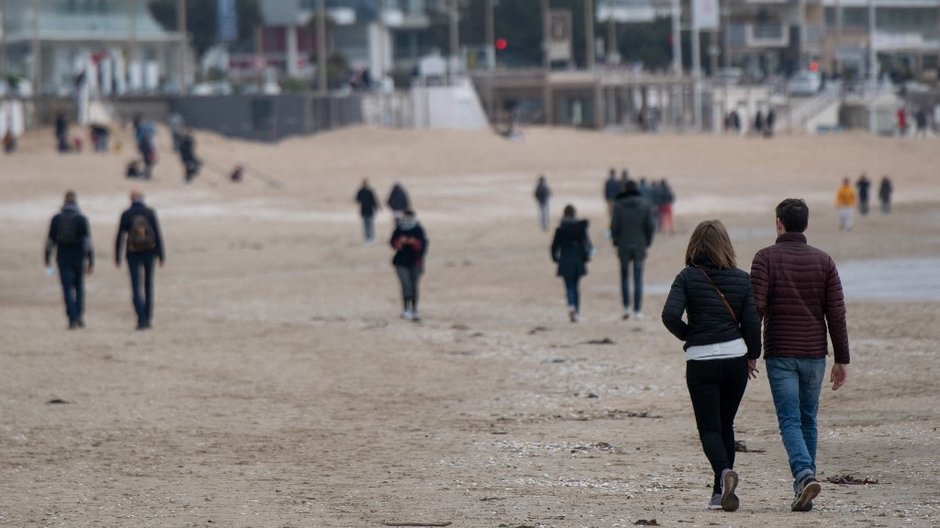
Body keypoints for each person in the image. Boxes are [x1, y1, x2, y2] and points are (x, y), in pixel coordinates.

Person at [750, 198, 850, 512]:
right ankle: (803, 489)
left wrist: (750, 352)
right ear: (805, 224)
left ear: (778, 222)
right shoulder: (824, 261)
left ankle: (805, 475)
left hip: (781, 352)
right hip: (815, 354)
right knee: (808, 419)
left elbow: (756, 309)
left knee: (791, 421)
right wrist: (842, 359)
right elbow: (836, 314)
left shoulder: (764, 258)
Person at [662, 220, 761, 512]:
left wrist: (691, 336)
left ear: (694, 246)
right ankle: (720, 492)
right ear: (726, 246)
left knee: (709, 429)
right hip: (734, 358)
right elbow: (753, 323)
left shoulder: (687, 277)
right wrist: (752, 354)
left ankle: (722, 475)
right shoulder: (743, 279)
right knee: (725, 424)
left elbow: (669, 316)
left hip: (701, 361)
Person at [115, 190, 165, 330]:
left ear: (131, 200)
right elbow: (157, 233)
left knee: (136, 286)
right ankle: (148, 318)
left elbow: (120, 236)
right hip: (150, 252)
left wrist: (117, 256)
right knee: (148, 285)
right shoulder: (149, 212)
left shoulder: (126, 214)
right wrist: (161, 255)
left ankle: (141, 318)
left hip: (133, 253)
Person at [44, 191, 94, 329]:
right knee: (79, 287)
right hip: (79, 257)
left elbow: (50, 241)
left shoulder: (56, 219)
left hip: (63, 258)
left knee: (66, 288)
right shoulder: (81, 219)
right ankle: (79, 315)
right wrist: (91, 261)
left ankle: (71, 318)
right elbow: (88, 242)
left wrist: (47, 258)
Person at [611, 180, 654, 320]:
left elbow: (614, 227)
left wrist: (616, 242)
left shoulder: (618, 206)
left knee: (624, 277)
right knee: (638, 277)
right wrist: (647, 243)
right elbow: (650, 227)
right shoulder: (645, 205)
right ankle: (637, 310)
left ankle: (626, 309)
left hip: (623, 244)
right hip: (640, 244)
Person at [551, 205, 592, 322]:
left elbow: (554, 247)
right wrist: (586, 257)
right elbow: (587, 244)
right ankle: (577, 312)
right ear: (575, 213)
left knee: (569, 286)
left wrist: (555, 258)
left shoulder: (561, 229)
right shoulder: (580, 228)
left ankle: (571, 306)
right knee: (576, 286)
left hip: (565, 260)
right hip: (578, 260)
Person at [390, 210, 428, 322]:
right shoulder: (398, 229)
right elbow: (392, 243)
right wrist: (400, 242)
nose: (407, 221)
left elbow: (424, 246)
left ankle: (415, 309)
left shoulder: (418, 229)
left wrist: (414, 242)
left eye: (410, 219)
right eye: (405, 219)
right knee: (406, 285)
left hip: (415, 262)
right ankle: (406, 308)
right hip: (401, 263)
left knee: (414, 286)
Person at [355, 179, 380, 243]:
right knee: (370, 224)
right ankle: (371, 238)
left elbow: (357, 200)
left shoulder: (361, 191)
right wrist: (377, 207)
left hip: (364, 210)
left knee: (366, 225)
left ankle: (368, 238)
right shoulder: (369, 191)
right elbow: (374, 200)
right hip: (369, 210)